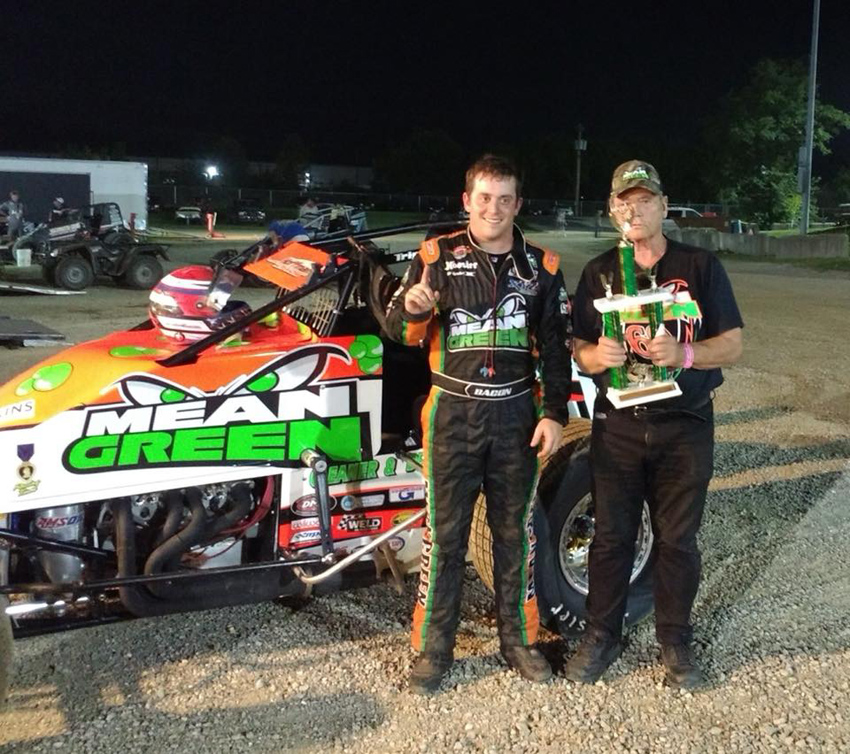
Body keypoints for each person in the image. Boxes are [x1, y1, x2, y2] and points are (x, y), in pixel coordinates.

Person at [386, 155, 572, 694]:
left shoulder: (542, 267)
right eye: (485, 198)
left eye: (505, 199)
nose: (495, 208)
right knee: (445, 537)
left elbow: (556, 348)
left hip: (516, 417)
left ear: (518, 204)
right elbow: (399, 330)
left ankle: (520, 642)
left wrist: (554, 413)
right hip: (453, 413)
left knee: (515, 535)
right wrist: (414, 308)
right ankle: (433, 649)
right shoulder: (435, 257)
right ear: (467, 201)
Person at [565, 160, 743, 689]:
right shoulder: (598, 271)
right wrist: (596, 355)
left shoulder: (700, 265)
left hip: (684, 424)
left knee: (678, 540)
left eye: (645, 200)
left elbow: (733, 344)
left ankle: (675, 640)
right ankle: (602, 635)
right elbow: (578, 347)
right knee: (611, 538)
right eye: (625, 202)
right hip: (618, 426)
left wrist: (686, 354)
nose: (634, 210)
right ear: (611, 210)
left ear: (664, 207)